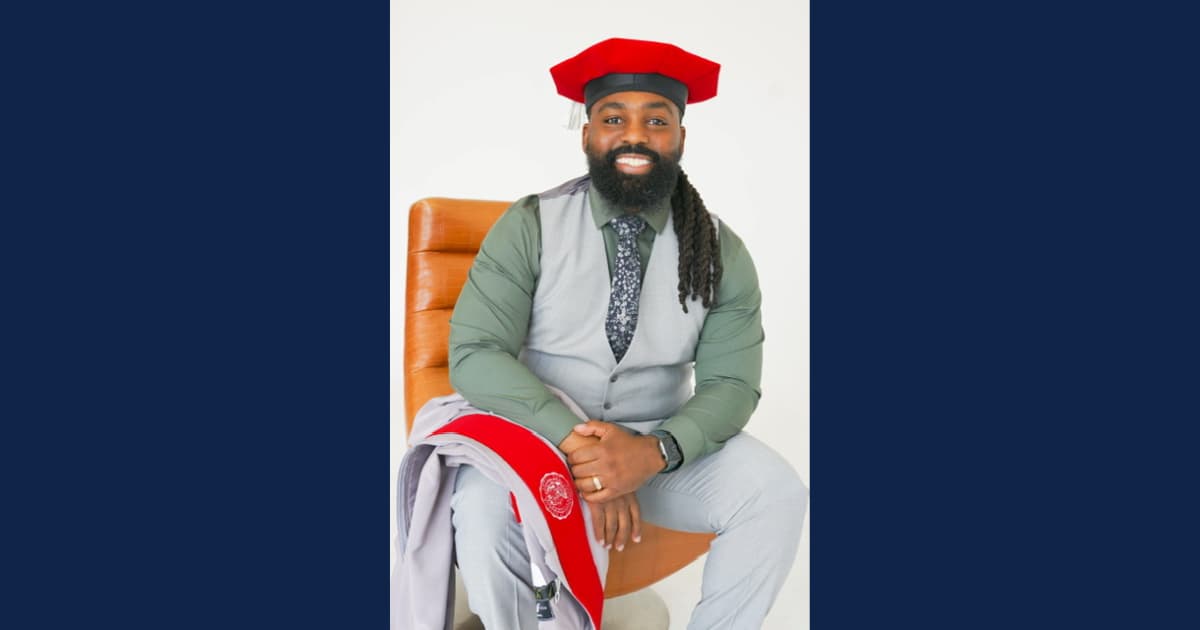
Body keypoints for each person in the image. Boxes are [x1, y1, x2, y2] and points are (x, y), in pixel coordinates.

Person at [445, 37, 808, 629]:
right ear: (587, 134)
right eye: (614, 118)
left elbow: (733, 385)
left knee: (775, 493)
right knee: (484, 516)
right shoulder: (531, 223)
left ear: (680, 139)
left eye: (656, 120)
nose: (634, 136)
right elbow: (475, 353)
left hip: (656, 444)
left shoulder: (722, 250)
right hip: (533, 437)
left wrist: (652, 452)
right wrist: (582, 447)